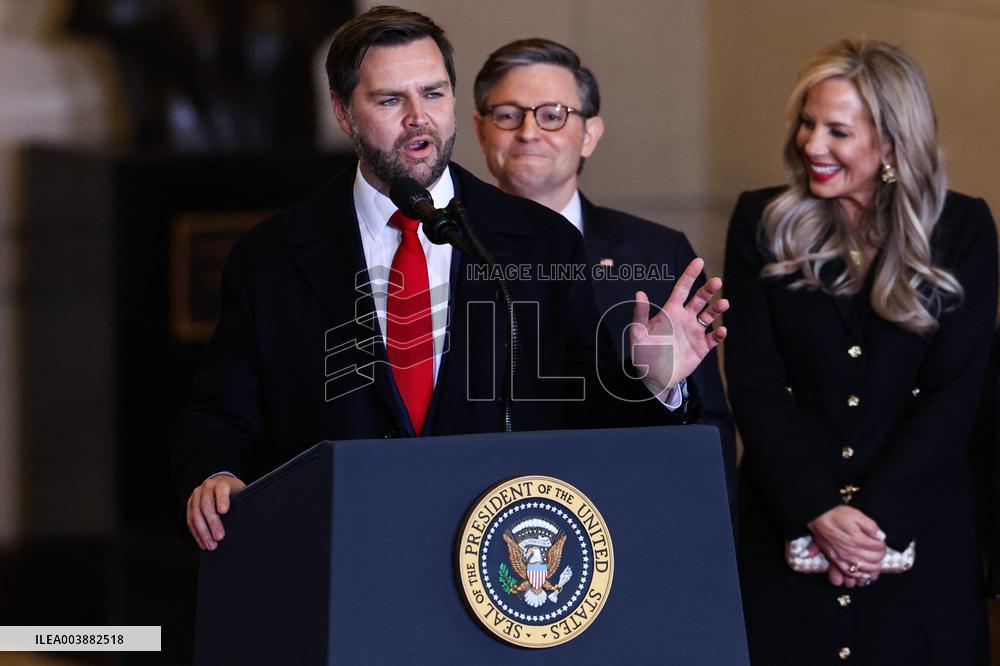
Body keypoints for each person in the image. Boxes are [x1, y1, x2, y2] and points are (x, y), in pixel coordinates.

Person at [171, 6, 728, 552]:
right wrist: (216, 473)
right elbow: (221, 412)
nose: (419, 117)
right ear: (343, 112)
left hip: (496, 557)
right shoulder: (271, 256)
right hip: (337, 550)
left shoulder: (541, 240)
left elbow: (592, 425)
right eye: (391, 100)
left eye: (434, 94)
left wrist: (651, 382)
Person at [724, 38, 997, 664]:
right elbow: (756, 383)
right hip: (786, 530)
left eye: (838, 132)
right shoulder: (761, 221)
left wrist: (873, 527)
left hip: (920, 535)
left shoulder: (964, 229)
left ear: (893, 145)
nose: (811, 145)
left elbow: (955, 394)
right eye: (807, 123)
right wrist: (817, 511)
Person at [472, 38, 737, 503]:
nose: (529, 132)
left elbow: (708, 432)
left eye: (552, 115)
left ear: (590, 134)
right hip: (479, 502)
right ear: (481, 130)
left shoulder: (658, 253)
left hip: (624, 506)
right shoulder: (443, 249)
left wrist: (660, 386)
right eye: (508, 114)